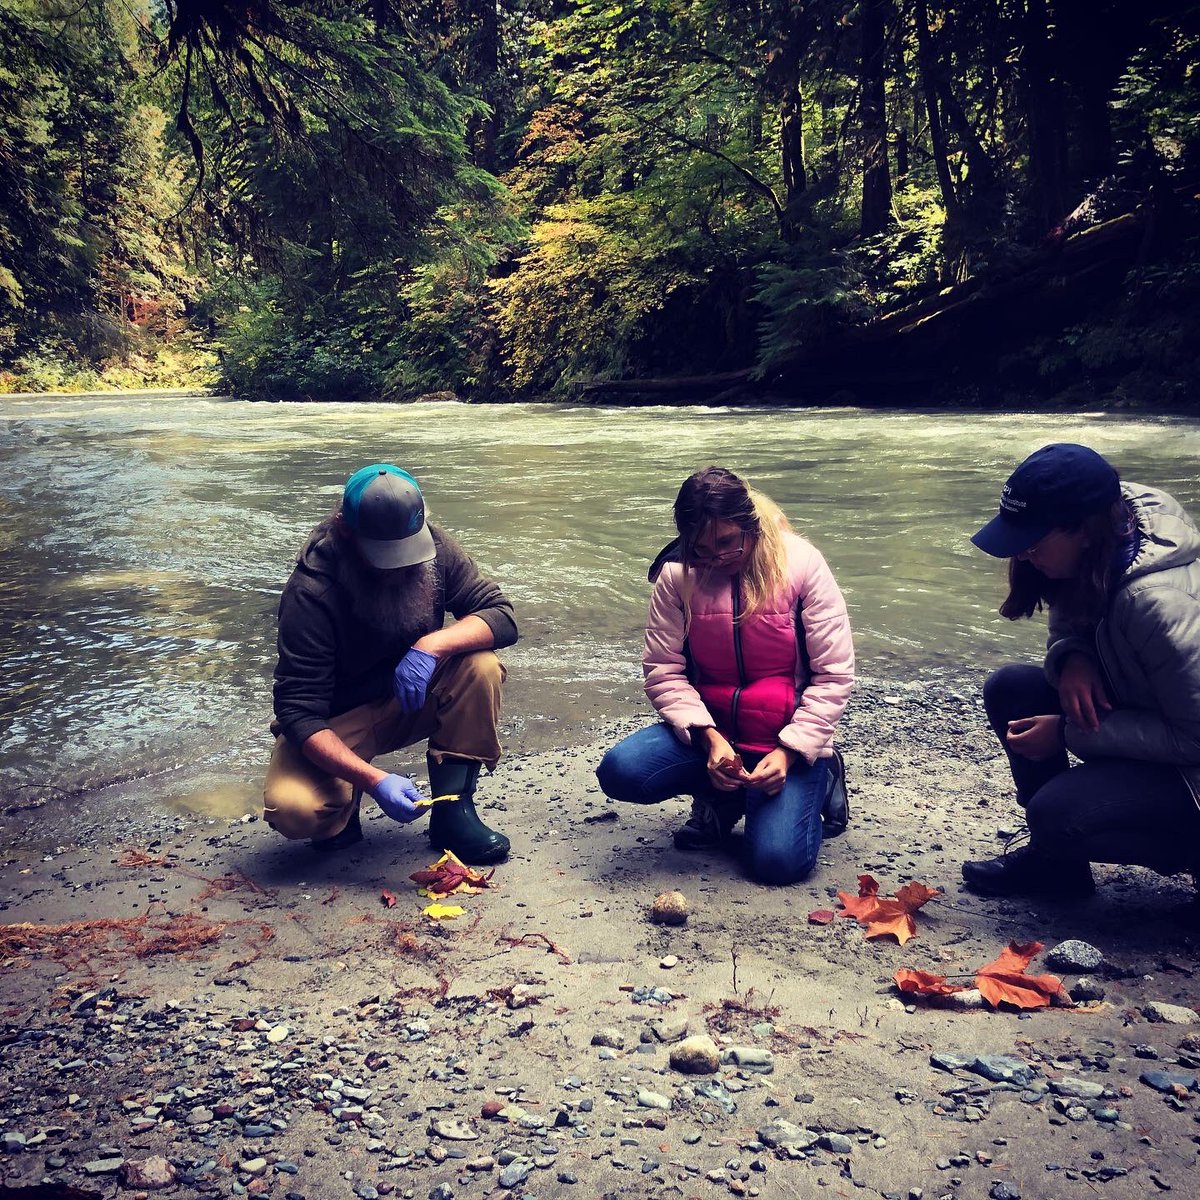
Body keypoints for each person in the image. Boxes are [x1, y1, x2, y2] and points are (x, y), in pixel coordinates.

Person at [595, 466, 855, 885]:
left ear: (750, 526)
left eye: (728, 543)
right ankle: (718, 796)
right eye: (701, 548)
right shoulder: (677, 574)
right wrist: (709, 738)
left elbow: (833, 675)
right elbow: (663, 670)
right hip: (713, 734)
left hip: (785, 737)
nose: (716, 559)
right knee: (621, 771)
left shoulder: (802, 564)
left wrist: (792, 750)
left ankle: (821, 773)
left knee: (776, 865)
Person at [962, 443, 1200, 897]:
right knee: (1012, 687)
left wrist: (1068, 733)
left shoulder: (1158, 604)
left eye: (1032, 543)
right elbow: (1073, 617)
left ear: (1085, 531)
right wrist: (1074, 656)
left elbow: (1195, 737)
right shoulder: (1108, 532)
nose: (1024, 555)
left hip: (1192, 773)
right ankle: (1058, 871)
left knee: (1056, 815)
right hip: (1144, 714)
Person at [262, 463, 517, 863]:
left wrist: (432, 646)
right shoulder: (311, 590)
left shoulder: (434, 548)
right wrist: (374, 780)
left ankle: (453, 812)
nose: (399, 567)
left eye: (406, 551)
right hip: (339, 720)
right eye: (385, 555)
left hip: (410, 700)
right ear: (345, 530)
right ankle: (344, 810)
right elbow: (298, 712)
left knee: (480, 665)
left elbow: (500, 614)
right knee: (294, 809)